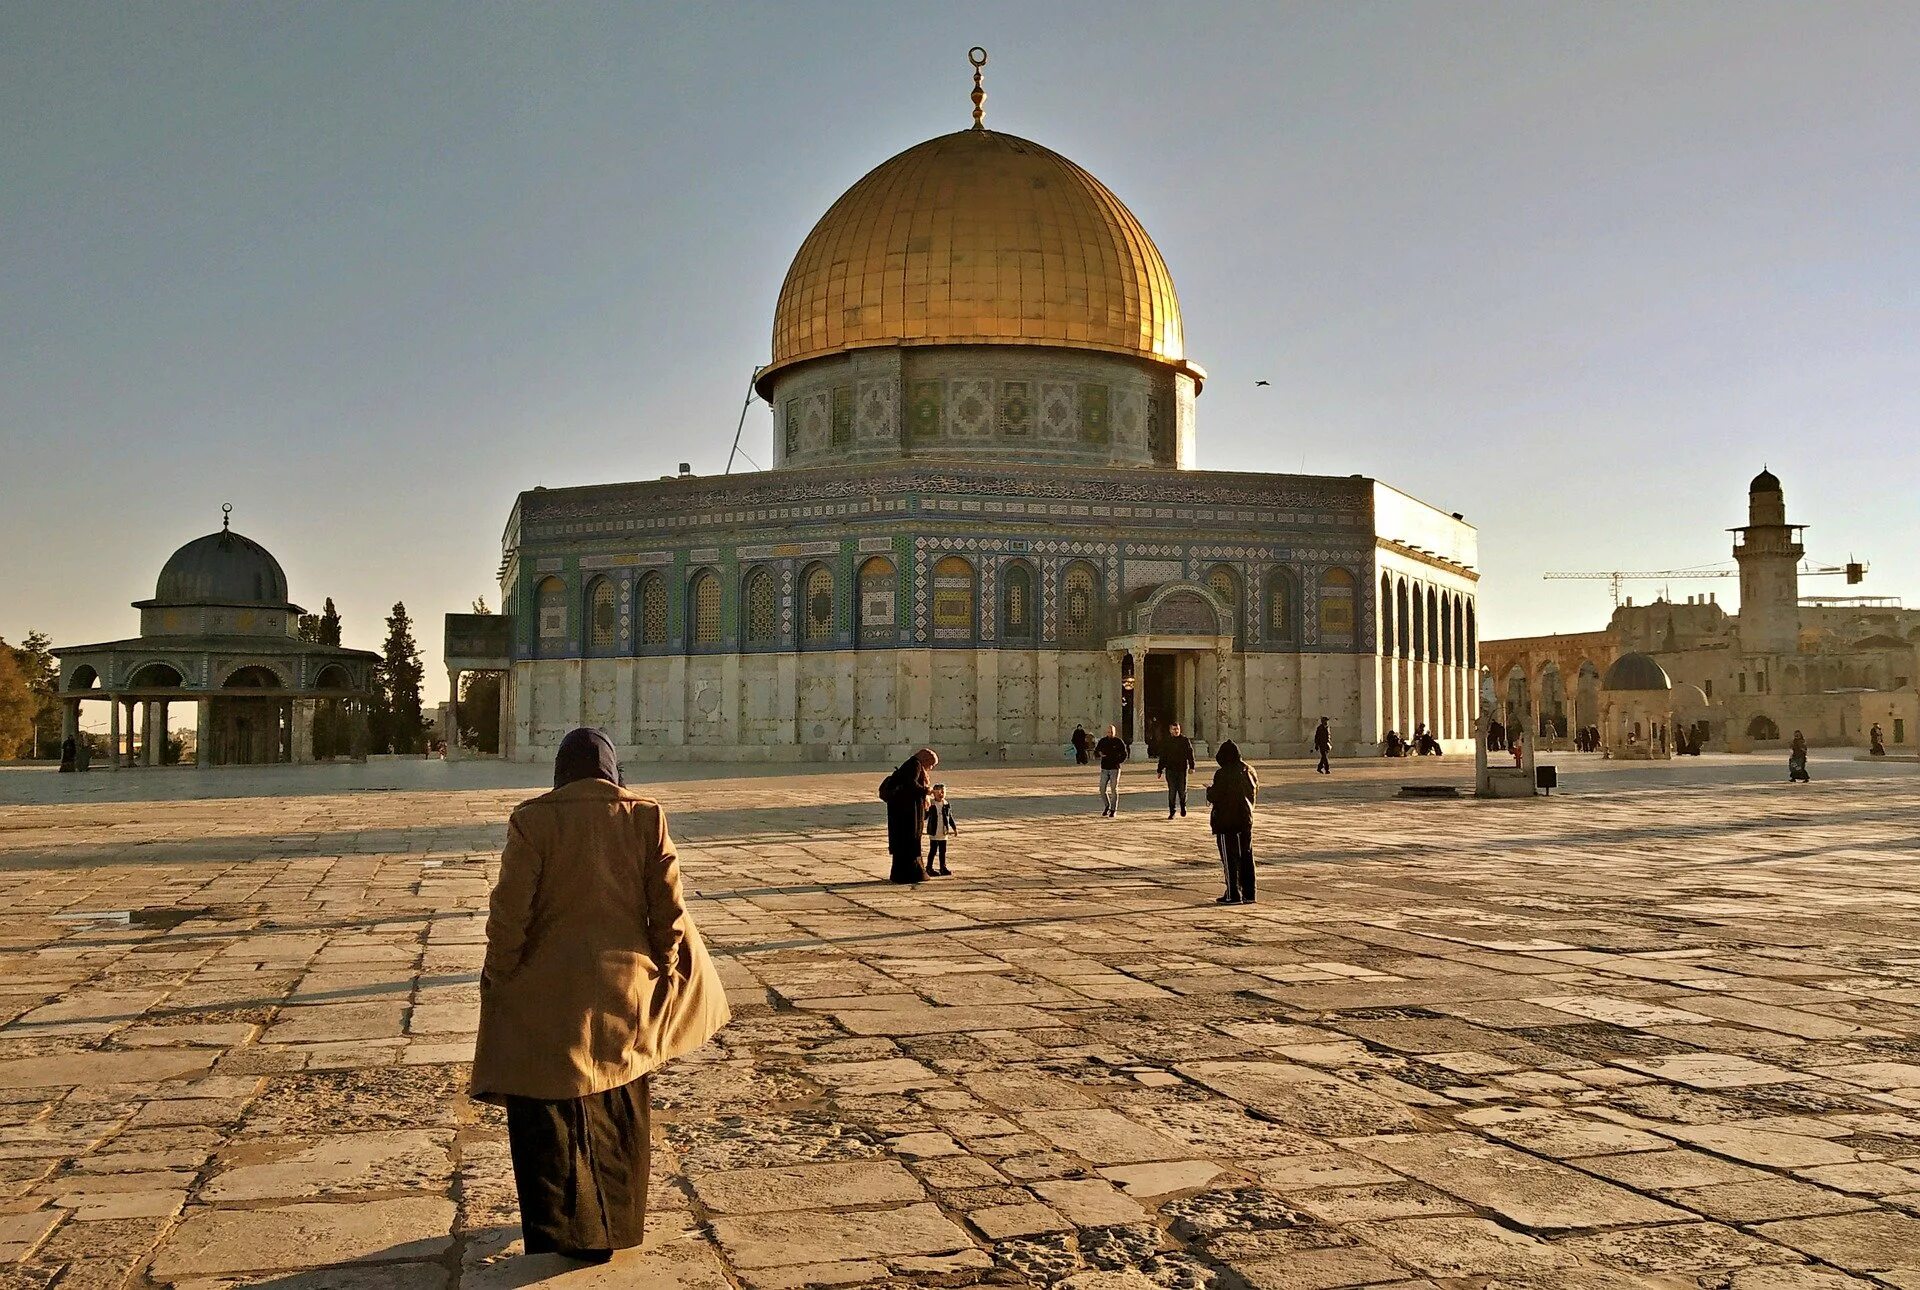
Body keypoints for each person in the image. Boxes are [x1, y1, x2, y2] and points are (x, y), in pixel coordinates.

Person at [471, 728, 730, 1265]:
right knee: (619, 1108)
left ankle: (568, 1230)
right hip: (625, 989)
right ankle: (615, 1225)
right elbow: (669, 911)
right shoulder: (644, 816)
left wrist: (500, 976)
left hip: (548, 993)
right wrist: (666, 967)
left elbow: (509, 912)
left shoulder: (534, 820)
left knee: (550, 1110)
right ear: (612, 770)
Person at [1205, 740, 1258, 905]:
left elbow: (1216, 796)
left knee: (1230, 858)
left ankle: (1233, 894)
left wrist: (1209, 790)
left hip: (1226, 821)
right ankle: (1249, 894)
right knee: (1246, 857)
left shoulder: (1223, 773)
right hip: (1245, 820)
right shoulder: (1249, 770)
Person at [879, 748, 938, 883]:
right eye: (931, 764)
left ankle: (906, 874)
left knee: (906, 844)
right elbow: (910, 784)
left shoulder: (911, 764)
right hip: (906, 815)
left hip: (903, 813)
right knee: (909, 842)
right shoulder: (915, 765)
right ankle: (910, 874)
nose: (931, 768)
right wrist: (926, 790)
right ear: (925, 759)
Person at [1156, 721, 1195, 818]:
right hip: (1170, 769)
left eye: (1177, 729)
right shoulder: (1167, 741)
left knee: (1182, 790)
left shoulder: (1185, 740)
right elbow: (1163, 757)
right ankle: (1172, 811)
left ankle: (1183, 806)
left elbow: (1190, 754)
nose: (1176, 731)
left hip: (1182, 769)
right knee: (1172, 791)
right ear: (1170, 730)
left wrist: (1192, 766)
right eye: (1174, 729)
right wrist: (1159, 770)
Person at [1093, 725, 1128, 817]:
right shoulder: (1103, 741)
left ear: (1114, 732)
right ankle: (1107, 806)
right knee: (1102, 789)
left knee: (1113, 789)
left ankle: (1113, 809)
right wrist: (1099, 754)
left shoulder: (1118, 742)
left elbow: (1124, 754)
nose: (1110, 733)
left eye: (1112, 732)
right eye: (1108, 732)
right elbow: (1096, 751)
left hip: (1114, 769)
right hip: (1104, 768)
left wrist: (1118, 761)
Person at [924, 783, 957, 876]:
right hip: (934, 832)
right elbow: (925, 816)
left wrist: (954, 828)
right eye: (939, 792)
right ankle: (929, 867)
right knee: (933, 850)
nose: (941, 794)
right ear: (934, 794)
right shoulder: (932, 805)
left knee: (943, 851)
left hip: (943, 832)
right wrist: (925, 808)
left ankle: (943, 867)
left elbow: (950, 817)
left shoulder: (946, 804)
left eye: (943, 792)